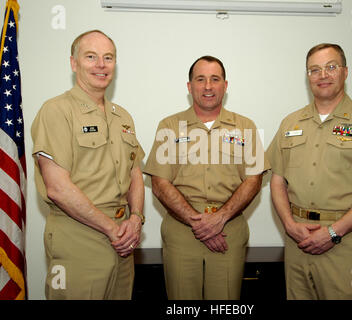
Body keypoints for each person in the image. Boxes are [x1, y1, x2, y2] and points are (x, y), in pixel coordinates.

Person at [267, 43, 352, 300]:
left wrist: (333, 232)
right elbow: (277, 181)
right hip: (299, 244)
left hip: (348, 243)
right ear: (308, 76)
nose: (323, 75)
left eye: (331, 67)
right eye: (315, 70)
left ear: (345, 72)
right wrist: (288, 224)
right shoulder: (290, 123)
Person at [31, 30, 145, 300]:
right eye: (91, 57)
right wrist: (111, 228)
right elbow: (57, 188)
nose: (101, 65)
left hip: (123, 240)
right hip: (77, 238)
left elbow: (135, 173)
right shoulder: (56, 110)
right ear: (74, 63)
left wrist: (136, 219)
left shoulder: (122, 116)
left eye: (108, 57)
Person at [143, 56, 270, 300]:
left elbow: (253, 180)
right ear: (189, 86)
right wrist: (199, 224)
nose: (208, 86)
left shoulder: (245, 127)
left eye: (215, 79)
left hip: (229, 230)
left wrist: (219, 219)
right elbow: (160, 184)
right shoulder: (169, 126)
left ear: (225, 85)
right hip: (182, 232)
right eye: (200, 79)